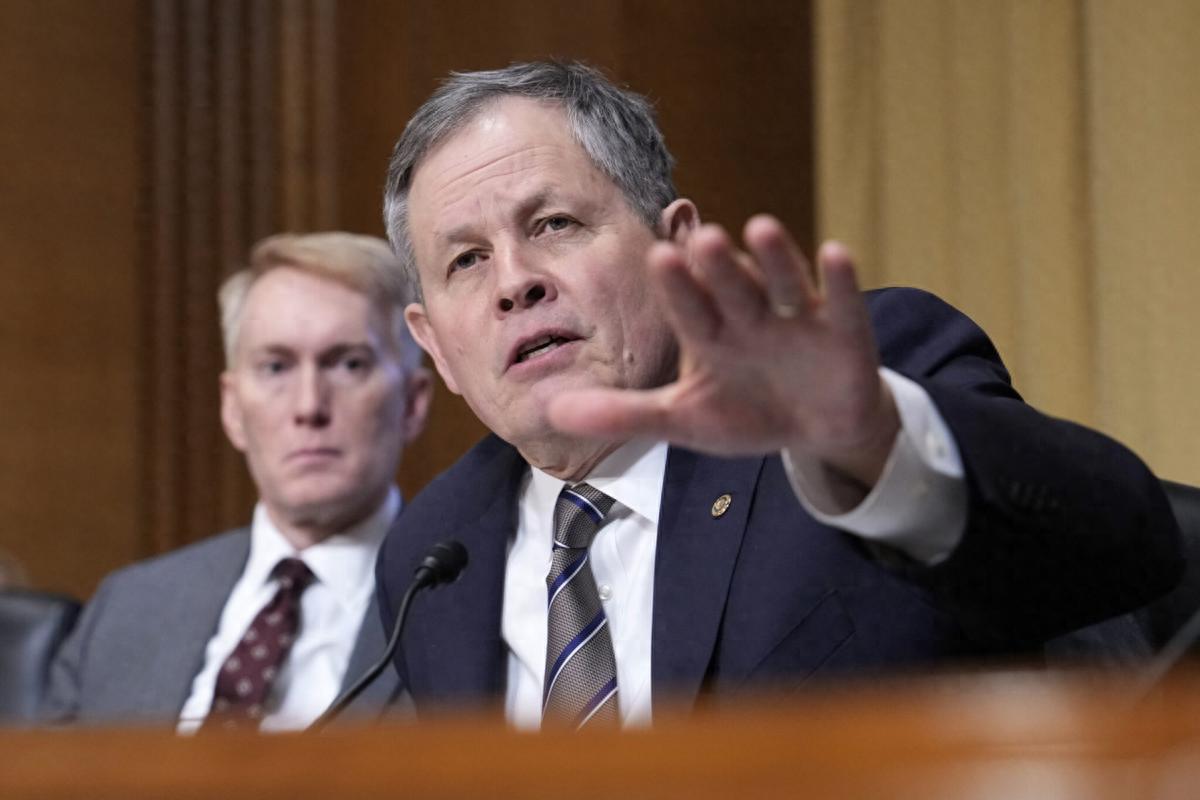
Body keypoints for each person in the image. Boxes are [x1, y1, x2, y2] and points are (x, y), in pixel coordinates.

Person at [375, 61, 1182, 729]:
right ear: (434, 344)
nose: (514, 282)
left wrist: (875, 447)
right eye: (466, 261)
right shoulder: (433, 558)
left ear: (677, 247)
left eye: (553, 224)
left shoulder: (857, 388)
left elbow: (1116, 554)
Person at [44, 232, 432, 731]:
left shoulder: (468, 608)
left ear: (412, 403)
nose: (308, 406)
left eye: (348, 364)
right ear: (232, 409)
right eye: (275, 367)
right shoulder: (127, 608)